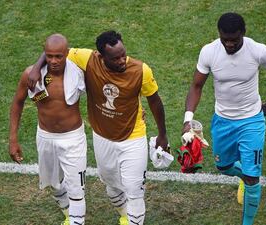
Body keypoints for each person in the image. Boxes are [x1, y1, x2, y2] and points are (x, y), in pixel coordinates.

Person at [28, 30, 169, 225]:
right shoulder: (88, 60)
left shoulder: (140, 70)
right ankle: (125, 216)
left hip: (133, 137)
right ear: (101, 57)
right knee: (112, 188)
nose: (122, 61)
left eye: (123, 55)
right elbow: (57, 50)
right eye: (115, 58)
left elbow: (155, 101)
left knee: (134, 191)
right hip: (102, 137)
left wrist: (163, 134)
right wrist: (37, 67)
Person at [182, 12, 266, 225]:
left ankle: (247, 216)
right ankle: (243, 176)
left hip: (252, 121)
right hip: (223, 121)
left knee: (252, 178)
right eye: (225, 39)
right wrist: (187, 120)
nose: (229, 44)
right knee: (224, 167)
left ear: (243, 34)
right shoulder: (209, 52)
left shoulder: (258, 50)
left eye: (234, 40)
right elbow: (196, 85)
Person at [9, 34, 87, 225]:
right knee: (55, 184)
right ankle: (70, 216)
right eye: (49, 56)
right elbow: (17, 103)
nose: (53, 61)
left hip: (73, 139)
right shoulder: (31, 75)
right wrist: (13, 139)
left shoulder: (80, 72)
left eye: (58, 56)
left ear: (67, 54)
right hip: (45, 137)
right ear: (44, 54)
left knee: (77, 190)